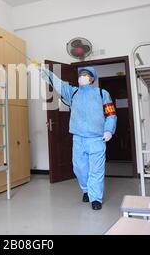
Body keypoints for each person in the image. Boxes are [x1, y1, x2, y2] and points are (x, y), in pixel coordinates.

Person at [40, 66, 117, 210]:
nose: (83, 76)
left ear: (92, 79)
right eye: (81, 74)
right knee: (79, 168)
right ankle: (86, 189)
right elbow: (59, 84)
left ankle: (95, 198)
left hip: (97, 139)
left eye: (86, 74)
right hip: (78, 138)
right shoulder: (73, 92)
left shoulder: (101, 93)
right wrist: (47, 73)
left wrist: (108, 130)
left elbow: (111, 113)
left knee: (96, 170)